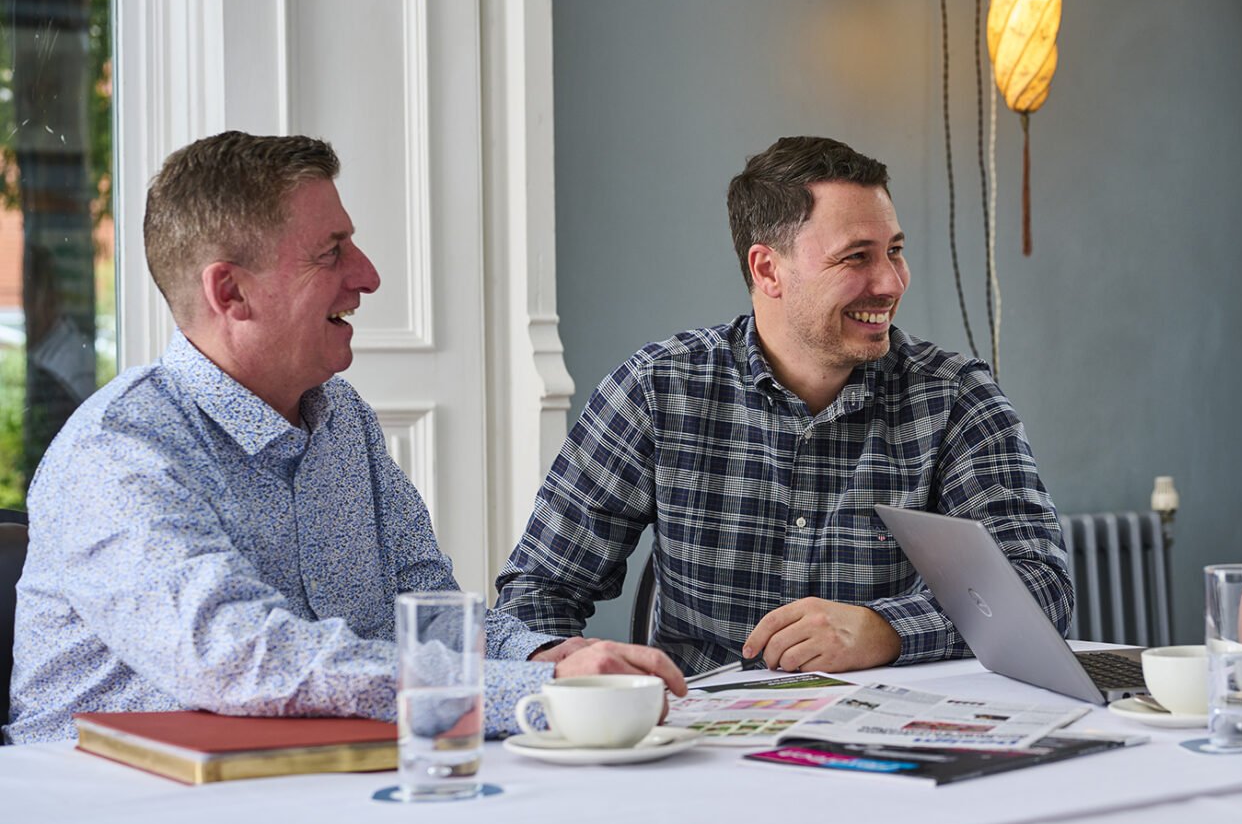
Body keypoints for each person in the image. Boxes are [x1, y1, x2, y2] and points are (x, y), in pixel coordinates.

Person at [5, 132, 684, 744]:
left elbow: (430, 621)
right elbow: (242, 658)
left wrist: (550, 657)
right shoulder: (118, 451)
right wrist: (538, 694)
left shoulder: (344, 422)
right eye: (332, 252)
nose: (368, 276)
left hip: (307, 797)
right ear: (231, 292)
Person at [496, 135, 1071, 676]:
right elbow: (538, 592)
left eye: (895, 251)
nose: (891, 282)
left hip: (890, 749)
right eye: (856, 258)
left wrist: (884, 631)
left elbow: (1040, 590)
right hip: (705, 751)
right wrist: (564, 681)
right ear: (768, 269)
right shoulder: (657, 389)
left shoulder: (955, 397)